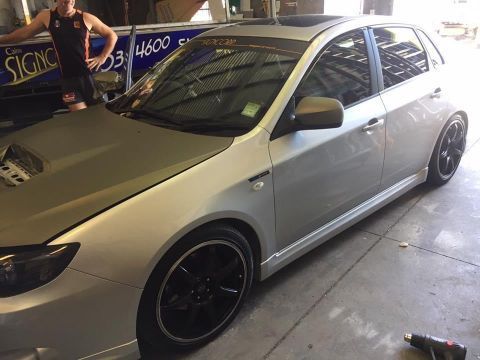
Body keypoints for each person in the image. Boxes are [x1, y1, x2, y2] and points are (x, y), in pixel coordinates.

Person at [0, 0, 118, 111]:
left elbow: (112, 35)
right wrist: (2, 40)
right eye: (65, 0)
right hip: (68, 80)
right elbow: (22, 34)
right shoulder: (47, 17)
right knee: (81, 119)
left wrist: (102, 57)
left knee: (100, 116)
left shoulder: (86, 17)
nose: (69, 1)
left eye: (71, 0)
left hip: (91, 76)